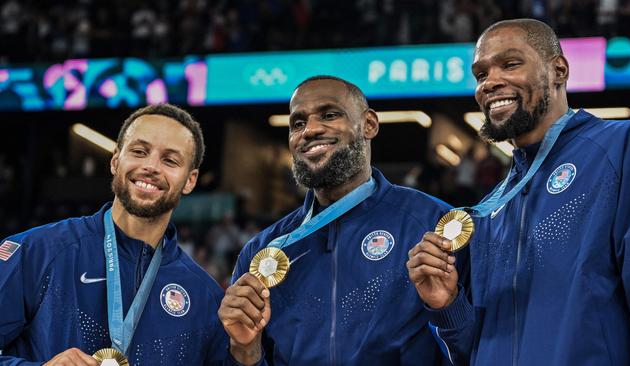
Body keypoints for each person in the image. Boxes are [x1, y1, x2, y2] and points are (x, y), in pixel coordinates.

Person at [407, 19, 630, 365]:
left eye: (510, 64)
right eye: (480, 75)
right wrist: (446, 306)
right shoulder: (489, 209)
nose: (489, 83)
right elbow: (472, 351)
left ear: (559, 70)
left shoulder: (624, 147)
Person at [218, 76, 454, 365]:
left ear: (369, 124)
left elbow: (478, 348)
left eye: (330, 115)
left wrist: (449, 308)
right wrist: (245, 351)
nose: (311, 130)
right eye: (298, 123)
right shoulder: (263, 251)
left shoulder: (432, 223)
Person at [0, 103, 229, 365]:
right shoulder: (36, 252)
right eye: (139, 151)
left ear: (190, 180)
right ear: (115, 160)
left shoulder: (206, 297)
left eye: (170, 160)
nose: (151, 166)